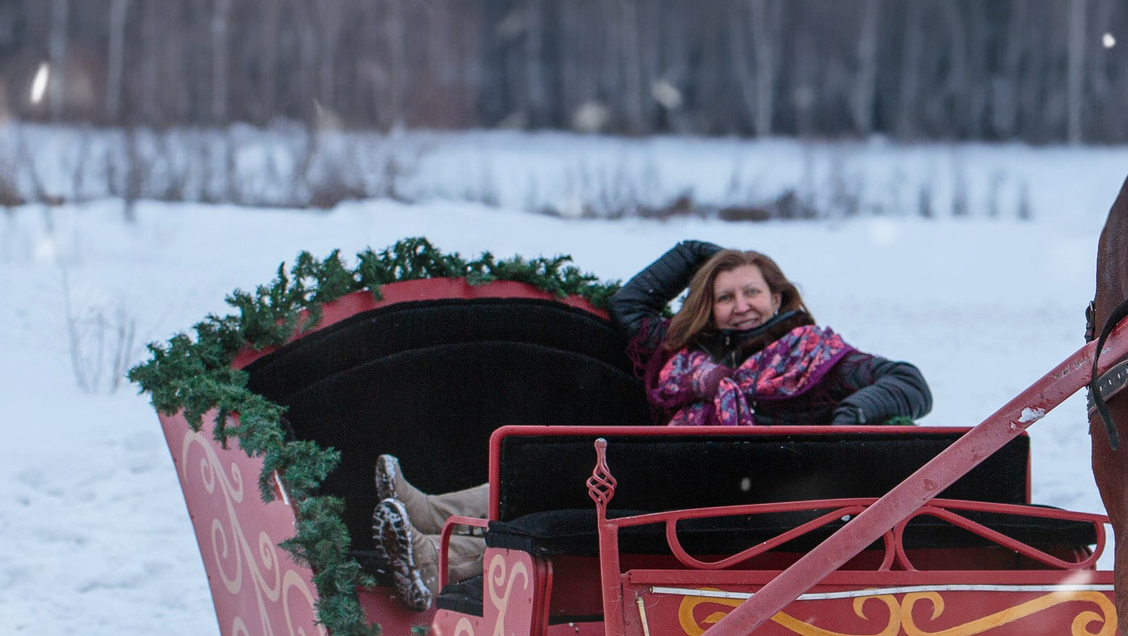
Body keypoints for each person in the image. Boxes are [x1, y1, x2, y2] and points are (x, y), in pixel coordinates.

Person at [373, 241, 932, 607]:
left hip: (745, 503)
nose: (740, 305)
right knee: (568, 471)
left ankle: (437, 559)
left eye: (752, 292)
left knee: (578, 493)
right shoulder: (687, 354)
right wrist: (701, 253)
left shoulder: (816, 356)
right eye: (725, 296)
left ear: (778, 296)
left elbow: (909, 381)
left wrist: (852, 413)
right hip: (671, 478)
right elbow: (631, 304)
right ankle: (430, 516)